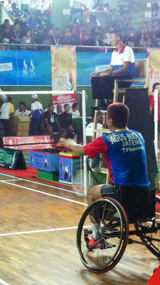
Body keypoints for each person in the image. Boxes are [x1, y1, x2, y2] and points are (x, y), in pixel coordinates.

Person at [59, 103, 151, 249]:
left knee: (92, 192)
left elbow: (81, 150)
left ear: (110, 121)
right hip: (145, 193)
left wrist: (69, 143)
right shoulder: (138, 136)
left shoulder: (108, 140)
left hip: (123, 193)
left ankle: (96, 237)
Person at [91, 31, 135, 108]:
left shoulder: (127, 50)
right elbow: (111, 68)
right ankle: (101, 102)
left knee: (105, 79)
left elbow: (125, 68)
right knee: (95, 78)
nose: (110, 40)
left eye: (111, 37)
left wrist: (109, 74)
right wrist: (98, 73)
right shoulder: (114, 52)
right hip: (116, 77)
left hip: (125, 78)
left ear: (118, 38)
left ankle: (110, 103)